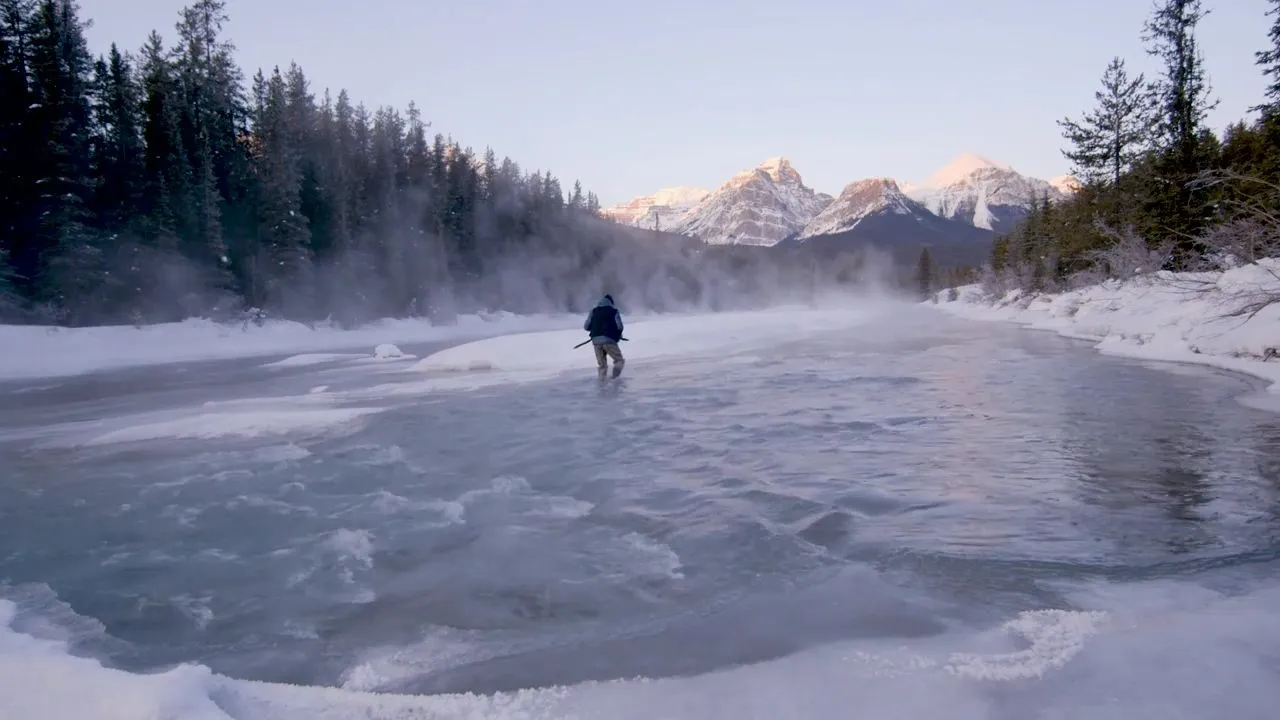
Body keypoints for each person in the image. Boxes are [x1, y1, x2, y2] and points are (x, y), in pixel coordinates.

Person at [583, 294, 625, 378]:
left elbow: (586, 326)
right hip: (609, 340)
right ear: (611, 302)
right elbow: (619, 326)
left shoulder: (593, 311)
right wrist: (617, 334)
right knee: (619, 360)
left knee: (602, 365)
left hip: (596, 341)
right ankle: (615, 379)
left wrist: (596, 329)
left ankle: (601, 384)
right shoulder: (614, 311)